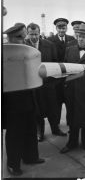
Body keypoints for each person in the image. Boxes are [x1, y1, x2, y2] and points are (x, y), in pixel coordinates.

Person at [3, 23, 45, 176]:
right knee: (15, 133)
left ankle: (31, 157)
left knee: (30, 129)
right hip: (12, 102)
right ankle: (13, 164)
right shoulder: (5, 53)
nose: (24, 39)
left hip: (28, 96)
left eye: (24, 36)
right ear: (11, 37)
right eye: (20, 37)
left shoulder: (27, 51)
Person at [25, 23, 66, 141]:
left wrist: (54, 82)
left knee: (53, 108)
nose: (34, 37)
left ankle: (55, 129)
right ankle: (40, 132)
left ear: (39, 33)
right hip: (34, 86)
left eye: (36, 34)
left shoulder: (50, 45)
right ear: (28, 34)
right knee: (37, 110)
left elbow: (55, 63)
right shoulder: (24, 46)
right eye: (31, 34)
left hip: (49, 85)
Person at [60, 24, 85, 153]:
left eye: (84, 37)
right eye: (79, 36)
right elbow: (65, 69)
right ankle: (72, 142)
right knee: (72, 118)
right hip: (72, 91)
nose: (80, 39)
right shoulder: (70, 49)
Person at [47, 18, 75, 136]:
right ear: (56, 28)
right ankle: (56, 126)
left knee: (70, 102)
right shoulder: (50, 41)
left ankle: (71, 124)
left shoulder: (72, 39)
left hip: (69, 77)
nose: (61, 30)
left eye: (63, 27)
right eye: (59, 27)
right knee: (56, 104)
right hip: (57, 78)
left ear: (66, 28)